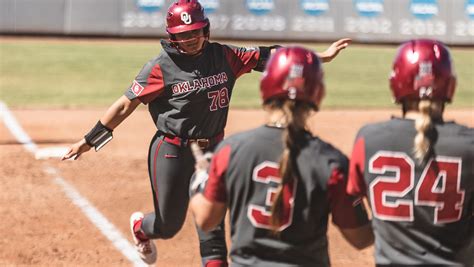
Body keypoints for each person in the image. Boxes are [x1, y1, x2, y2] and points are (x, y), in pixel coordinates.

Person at [61, 0, 351, 265]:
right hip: (172, 150)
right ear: (172, 36)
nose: (189, 39)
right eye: (183, 34)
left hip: (213, 150)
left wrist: (319, 58)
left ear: (206, 30)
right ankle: (141, 228)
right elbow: (125, 105)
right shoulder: (160, 67)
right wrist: (89, 140)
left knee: (212, 228)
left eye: (195, 32)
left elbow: (271, 56)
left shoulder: (224, 55)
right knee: (168, 225)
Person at [189, 46, 374, 267]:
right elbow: (361, 239)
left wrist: (200, 179)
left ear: (265, 87)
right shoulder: (331, 162)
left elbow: (206, 220)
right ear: (318, 93)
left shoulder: (231, 151)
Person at [347, 39, 474, 266]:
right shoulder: (469, 144)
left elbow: (352, 203)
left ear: (396, 84)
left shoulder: (368, 138)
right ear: (450, 85)